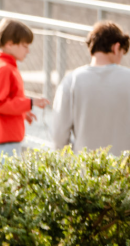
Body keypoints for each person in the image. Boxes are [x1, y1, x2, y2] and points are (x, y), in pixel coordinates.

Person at [52, 21, 130, 155]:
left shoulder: (71, 81)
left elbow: (58, 135)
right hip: (124, 171)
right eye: (122, 53)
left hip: (85, 170)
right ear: (116, 47)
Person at [0, 18, 50, 160]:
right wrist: (30, 103)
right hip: (5, 140)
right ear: (9, 44)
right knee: (8, 180)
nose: (28, 51)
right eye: (25, 46)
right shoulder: (4, 69)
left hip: (5, 138)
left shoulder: (2, 66)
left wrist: (22, 113)